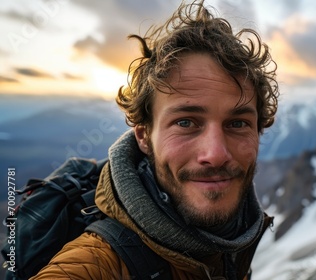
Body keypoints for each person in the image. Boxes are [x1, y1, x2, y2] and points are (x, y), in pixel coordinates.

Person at [32, 0, 279, 279]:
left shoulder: (235, 236)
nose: (216, 153)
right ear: (144, 137)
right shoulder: (94, 264)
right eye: (185, 122)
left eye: (238, 123)